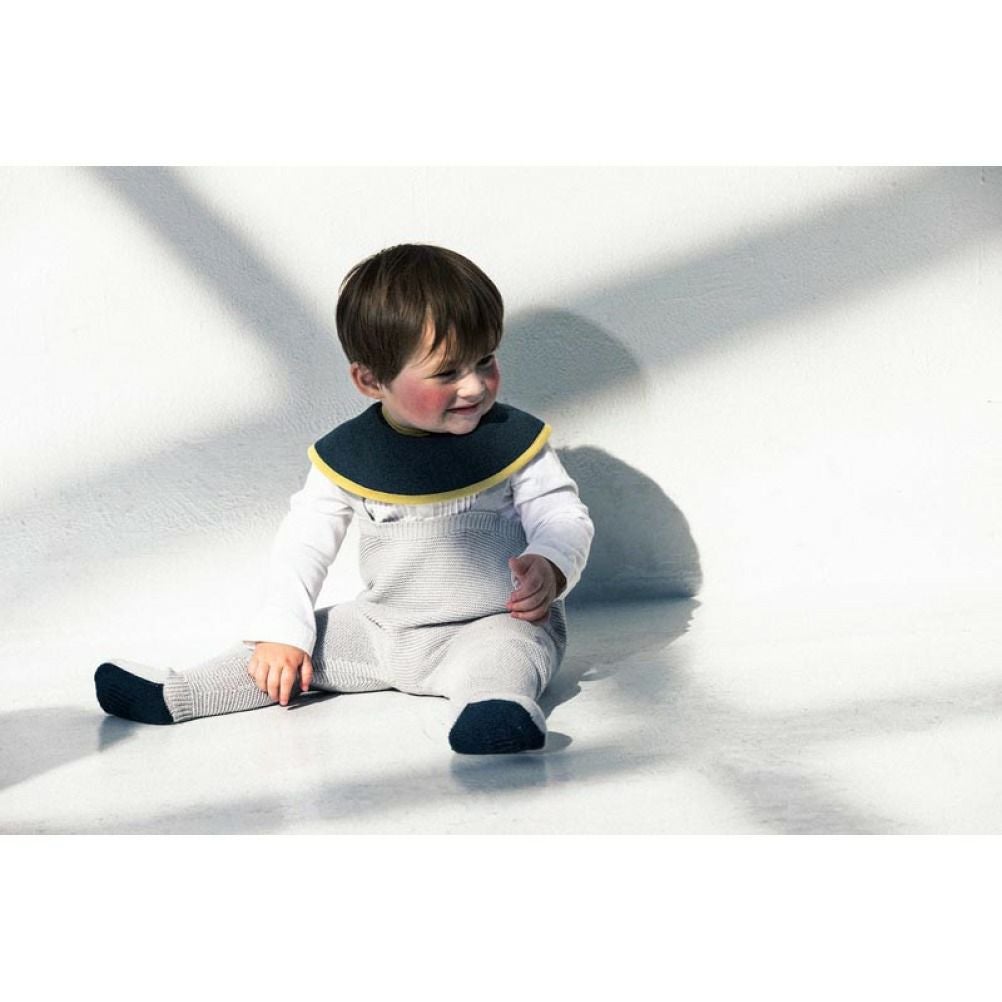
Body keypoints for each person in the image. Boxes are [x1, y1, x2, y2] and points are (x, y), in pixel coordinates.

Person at [95, 243, 594, 754]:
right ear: (370, 380)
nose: (474, 387)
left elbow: (562, 514)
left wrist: (550, 563)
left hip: (491, 623)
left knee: (507, 655)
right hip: (384, 628)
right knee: (290, 649)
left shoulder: (515, 443)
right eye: (447, 373)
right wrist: (284, 629)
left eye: (485, 361)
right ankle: (180, 693)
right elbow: (304, 544)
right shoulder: (349, 456)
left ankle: (494, 708)